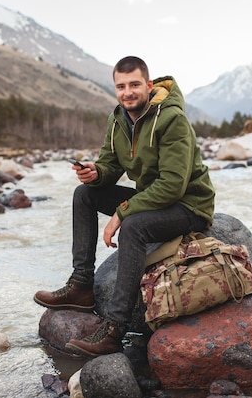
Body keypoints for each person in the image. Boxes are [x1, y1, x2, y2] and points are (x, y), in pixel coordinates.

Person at [34, 56, 215, 357]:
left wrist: (122, 212)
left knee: (133, 226)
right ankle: (81, 286)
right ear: (115, 88)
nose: (127, 92)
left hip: (189, 205)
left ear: (149, 85)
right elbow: (111, 163)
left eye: (134, 85)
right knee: (84, 194)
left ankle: (114, 329)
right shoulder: (118, 118)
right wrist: (97, 173)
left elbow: (172, 186)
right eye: (121, 86)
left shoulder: (172, 120)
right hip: (154, 199)